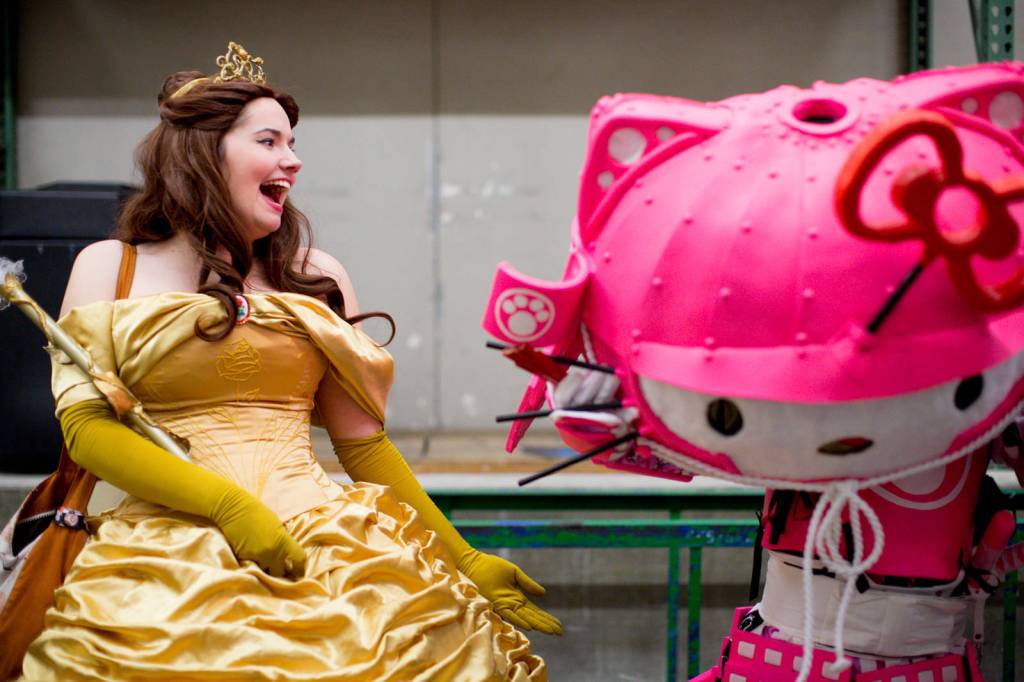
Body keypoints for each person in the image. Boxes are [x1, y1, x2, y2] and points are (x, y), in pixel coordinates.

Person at [19, 42, 556, 681]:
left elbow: (364, 446)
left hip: (326, 546)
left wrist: (462, 557)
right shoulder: (110, 266)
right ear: (201, 153)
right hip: (161, 558)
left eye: (293, 143)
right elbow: (86, 430)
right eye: (269, 141)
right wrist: (225, 505)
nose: (293, 160)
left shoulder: (317, 277)